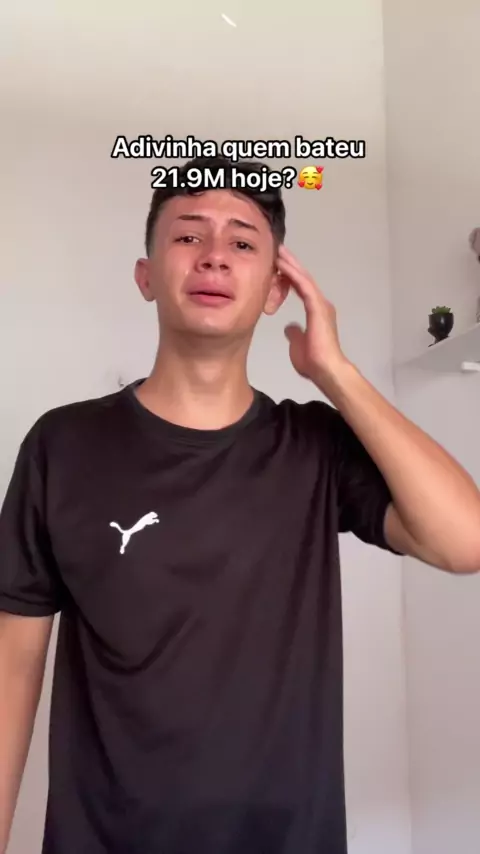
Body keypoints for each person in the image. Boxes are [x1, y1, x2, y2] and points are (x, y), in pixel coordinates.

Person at [1, 156, 479, 854]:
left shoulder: (314, 445)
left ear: (276, 289)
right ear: (146, 276)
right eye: (188, 235)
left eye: (243, 242)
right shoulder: (63, 444)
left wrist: (336, 373)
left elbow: (466, 541)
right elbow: (13, 664)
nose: (215, 256)